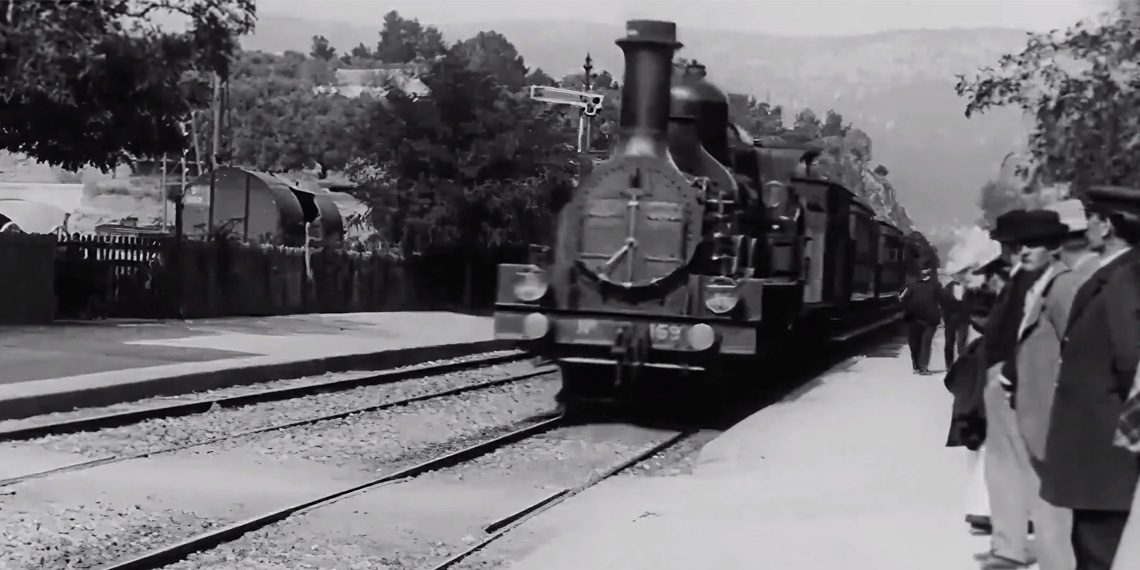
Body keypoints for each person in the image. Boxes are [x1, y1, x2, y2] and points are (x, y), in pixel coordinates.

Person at [1041, 186, 1140, 570]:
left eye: (1094, 217)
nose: (1089, 226)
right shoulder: (1118, 274)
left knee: (1102, 553)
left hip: (1107, 450)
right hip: (1100, 449)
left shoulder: (1127, 278)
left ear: (1112, 225)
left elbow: (1131, 361)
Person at [999, 202, 1096, 570]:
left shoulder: (1064, 285)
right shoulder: (1041, 284)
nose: (1024, 250)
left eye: (1035, 243)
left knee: (1053, 517)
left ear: (1055, 247)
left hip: (1054, 417)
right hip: (1037, 414)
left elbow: (1082, 349)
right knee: (1046, 514)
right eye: (1021, 243)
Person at [976, 209, 1050, 569]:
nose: (1007, 251)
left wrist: (1003, 374)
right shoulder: (1023, 277)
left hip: (1010, 379)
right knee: (1012, 466)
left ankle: (1010, 547)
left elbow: (1017, 331)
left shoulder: (1028, 279)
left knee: (1009, 467)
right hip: (1008, 376)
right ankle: (1012, 542)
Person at [900, 263, 942, 374]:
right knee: (914, 344)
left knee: (925, 343)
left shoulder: (935, 285)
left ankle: (923, 367)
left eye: (926, 270)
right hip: (915, 318)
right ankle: (916, 366)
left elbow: (942, 300)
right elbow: (903, 299)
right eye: (923, 270)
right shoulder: (912, 285)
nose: (924, 272)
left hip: (930, 320)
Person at [941, 265, 973, 367]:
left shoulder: (969, 288)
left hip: (964, 319)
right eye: (957, 274)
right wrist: (944, 319)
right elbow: (944, 304)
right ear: (953, 276)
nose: (959, 276)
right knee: (949, 343)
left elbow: (973, 303)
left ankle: (961, 366)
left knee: (962, 344)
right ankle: (949, 366)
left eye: (961, 274)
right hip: (950, 320)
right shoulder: (948, 288)